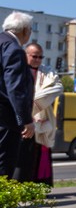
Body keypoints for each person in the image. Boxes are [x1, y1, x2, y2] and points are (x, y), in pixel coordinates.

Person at [13, 43, 62, 184]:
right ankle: (19, 186)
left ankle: (39, 186)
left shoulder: (47, 71)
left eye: (41, 57)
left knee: (39, 155)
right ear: (26, 55)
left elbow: (57, 87)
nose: (38, 60)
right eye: (35, 56)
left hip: (41, 120)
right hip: (21, 120)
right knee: (20, 157)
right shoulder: (17, 70)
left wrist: (33, 103)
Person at [0, 12, 35, 177]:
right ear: (25, 30)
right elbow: (15, 87)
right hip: (5, 119)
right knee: (4, 164)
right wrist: (26, 119)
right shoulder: (14, 49)